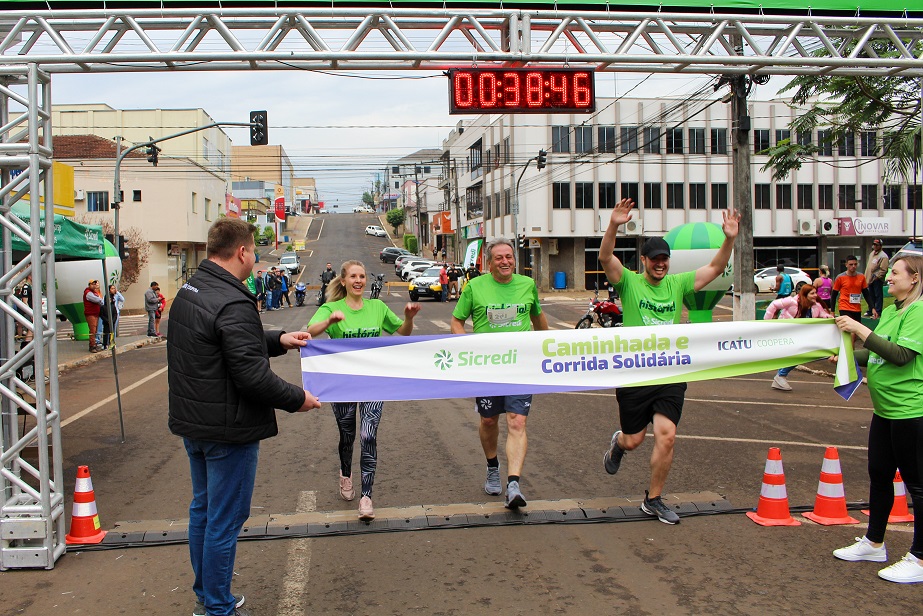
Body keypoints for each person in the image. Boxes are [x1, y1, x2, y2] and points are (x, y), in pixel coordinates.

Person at [168, 218, 321, 616]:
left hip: (195, 424)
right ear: (242, 252)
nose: (254, 259)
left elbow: (224, 345)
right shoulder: (233, 300)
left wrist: (279, 340)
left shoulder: (191, 289)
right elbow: (251, 375)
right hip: (228, 430)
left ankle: (206, 594)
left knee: (203, 511)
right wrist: (297, 398)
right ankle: (218, 607)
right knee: (224, 520)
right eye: (253, 251)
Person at [599, 198, 739, 525]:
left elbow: (716, 268)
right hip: (635, 375)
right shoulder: (630, 283)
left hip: (670, 371)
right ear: (644, 260)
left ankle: (654, 499)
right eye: (656, 259)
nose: (661, 264)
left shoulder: (678, 283)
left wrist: (729, 238)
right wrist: (615, 225)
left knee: (667, 435)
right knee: (634, 440)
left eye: (665, 259)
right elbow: (606, 257)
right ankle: (618, 445)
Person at [829, 254, 923, 584]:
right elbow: (877, 351)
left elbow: (900, 356)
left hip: (911, 411)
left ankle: (921, 558)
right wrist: (846, 354)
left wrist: (857, 329)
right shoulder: (893, 310)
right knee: (880, 474)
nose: (887, 278)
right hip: (885, 410)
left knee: (918, 485)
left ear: (914, 278)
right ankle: (874, 542)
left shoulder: (918, 311)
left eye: (894, 273)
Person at [307, 260, 420, 521]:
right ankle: (345, 474)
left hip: (372, 381)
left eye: (362, 276)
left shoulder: (377, 307)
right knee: (347, 435)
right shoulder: (331, 307)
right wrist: (329, 321)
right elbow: (310, 331)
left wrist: (408, 318)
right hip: (343, 383)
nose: (359, 281)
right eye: (353, 277)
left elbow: (402, 332)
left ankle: (366, 496)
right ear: (343, 281)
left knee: (368, 436)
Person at [451, 239, 549, 509]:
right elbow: (457, 321)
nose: (505, 261)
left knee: (517, 421)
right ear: (489, 262)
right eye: (499, 258)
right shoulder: (475, 287)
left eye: (509, 257)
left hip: (520, 366)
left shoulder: (527, 285)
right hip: (487, 367)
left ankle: (514, 483)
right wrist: (465, 348)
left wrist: (547, 344)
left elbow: (537, 317)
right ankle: (492, 465)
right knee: (490, 421)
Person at [764, 283, 833, 391]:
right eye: (812, 293)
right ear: (805, 294)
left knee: (801, 355)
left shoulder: (816, 306)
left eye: (815, 293)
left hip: (802, 336)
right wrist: (767, 323)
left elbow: (824, 315)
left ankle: (781, 376)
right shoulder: (792, 302)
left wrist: (830, 318)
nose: (815, 295)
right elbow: (774, 305)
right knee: (798, 355)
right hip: (787, 333)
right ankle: (780, 376)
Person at [831, 255, 875, 345]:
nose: (853, 266)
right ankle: (851, 352)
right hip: (844, 307)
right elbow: (834, 294)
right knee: (849, 330)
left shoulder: (861, 277)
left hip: (856, 308)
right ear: (846, 264)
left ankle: (849, 350)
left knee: (855, 332)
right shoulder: (840, 278)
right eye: (851, 264)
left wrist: (873, 308)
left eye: (855, 264)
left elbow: (866, 294)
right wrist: (832, 310)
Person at [865, 239, 889, 318]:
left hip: (877, 279)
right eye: (874, 244)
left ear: (880, 246)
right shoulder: (872, 253)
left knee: (878, 295)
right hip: (869, 278)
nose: (874, 246)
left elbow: (884, 269)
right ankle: (871, 309)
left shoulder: (883, 256)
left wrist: (877, 277)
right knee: (870, 295)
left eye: (876, 245)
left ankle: (878, 311)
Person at [100, 284, 125, 350]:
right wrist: (107, 320)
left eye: (114, 288)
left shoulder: (116, 296)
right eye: (112, 288)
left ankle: (112, 342)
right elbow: (102, 312)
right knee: (107, 331)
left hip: (115, 313)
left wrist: (117, 292)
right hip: (107, 317)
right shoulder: (106, 297)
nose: (113, 290)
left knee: (113, 330)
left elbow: (122, 299)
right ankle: (105, 343)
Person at [83, 280, 104, 353]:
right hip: (90, 314)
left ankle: (94, 344)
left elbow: (100, 300)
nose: (94, 285)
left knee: (95, 330)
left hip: (95, 313)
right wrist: (100, 300)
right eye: (93, 284)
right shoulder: (88, 293)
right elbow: (98, 300)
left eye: (95, 284)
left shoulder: (94, 293)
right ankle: (92, 346)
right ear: (89, 285)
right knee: (93, 330)